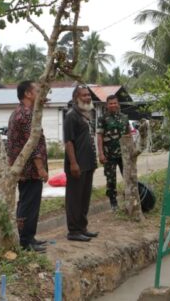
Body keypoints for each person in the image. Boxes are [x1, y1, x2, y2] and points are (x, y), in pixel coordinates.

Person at [7, 80, 50, 253]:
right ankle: (25, 241)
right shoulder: (26, 114)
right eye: (37, 91)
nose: (41, 94)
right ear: (28, 94)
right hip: (29, 169)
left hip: (25, 168)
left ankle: (29, 237)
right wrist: (40, 168)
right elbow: (32, 144)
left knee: (29, 203)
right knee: (28, 204)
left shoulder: (22, 112)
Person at [63, 85, 98, 242]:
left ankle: (82, 227)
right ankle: (74, 231)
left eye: (88, 95)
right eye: (84, 95)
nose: (88, 97)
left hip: (88, 163)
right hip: (77, 165)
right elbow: (68, 142)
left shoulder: (87, 114)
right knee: (75, 199)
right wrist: (73, 163)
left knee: (84, 198)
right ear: (76, 98)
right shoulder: (71, 116)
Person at [97, 94, 131, 212]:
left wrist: (131, 151)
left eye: (115, 103)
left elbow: (129, 134)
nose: (113, 105)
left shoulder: (124, 117)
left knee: (128, 177)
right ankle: (113, 202)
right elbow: (99, 136)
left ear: (118, 104)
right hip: (109, 155)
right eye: (110, 103)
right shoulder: (102, 118)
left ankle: (129, 199)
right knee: (111, 180)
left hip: (124, 154)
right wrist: (101, 154)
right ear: (107, 105)